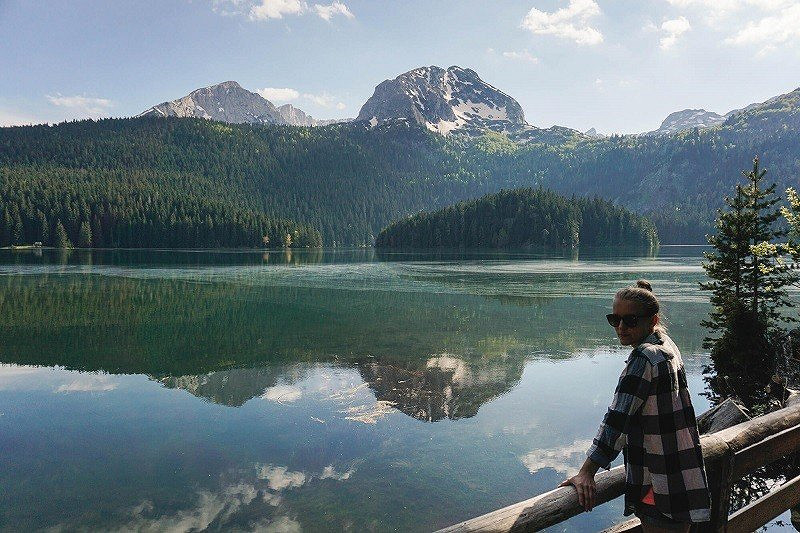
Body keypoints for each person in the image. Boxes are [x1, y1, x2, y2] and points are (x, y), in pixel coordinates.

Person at [559, 280, 710, 532]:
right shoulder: (666, 344)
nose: (620, 327)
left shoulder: (643, 359)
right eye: (614, 319)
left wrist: (587, 472)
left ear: (652, 320)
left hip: (658, 485)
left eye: (630, 321)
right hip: (682, 475)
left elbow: (617, 421)